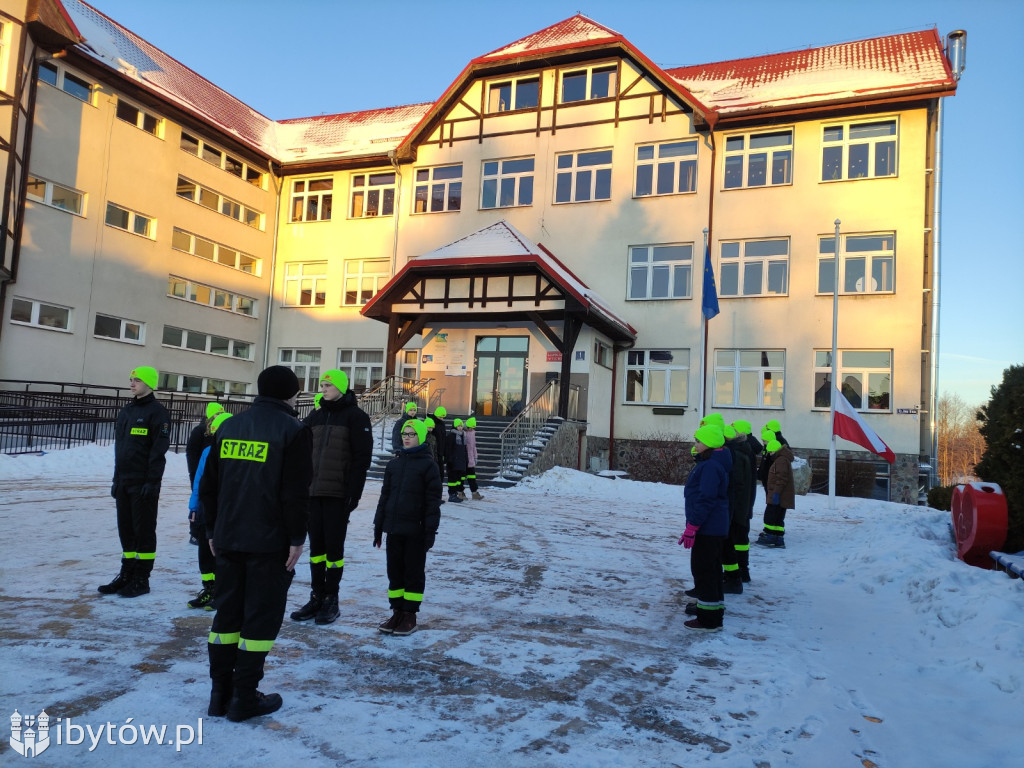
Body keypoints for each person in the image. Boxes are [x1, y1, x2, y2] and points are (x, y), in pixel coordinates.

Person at [199, 365, 313, 722]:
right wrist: (297, 538)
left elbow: (210, 486)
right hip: (268, 542)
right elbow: (294, 492)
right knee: (259, 622)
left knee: (227, 615)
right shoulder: (294, 430)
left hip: (229, 538)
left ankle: (220, 695)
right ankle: (244, 698)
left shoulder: (229, 426)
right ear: (291, 394)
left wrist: (212, 532)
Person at [290, 369, 372, 626]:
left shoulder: (356, 417)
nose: (323, 388)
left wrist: (354, 494)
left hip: (338, 494)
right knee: (316, 550)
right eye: (322, 385)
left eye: (327, 385)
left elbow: (362, 459)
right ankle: (316, 595)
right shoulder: (315, 415)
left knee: (334, 550)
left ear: (341, 387)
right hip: (313, 492)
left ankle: (331, 599)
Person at [98, 365, 170, 599]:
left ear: (149, 383)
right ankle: (126, 574)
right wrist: (116, 479)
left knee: (144, 531)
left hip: (144, 484)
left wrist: (152, 482)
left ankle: (142, 578)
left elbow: (158, 452)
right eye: (130, 379)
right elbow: (121, 449)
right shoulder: (127, 411)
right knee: (126, 530)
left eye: (136, 380)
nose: (131, 383)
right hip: (124, 482)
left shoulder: (157, 413)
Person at [373, 419, 442, 637]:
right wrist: (378, 526)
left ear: (420, 437)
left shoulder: (429, 465)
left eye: (412, 434)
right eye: (405, 433)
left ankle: (409, 614)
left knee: (413, 573)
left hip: (415, 531)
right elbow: (385, 496)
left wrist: (429, 531)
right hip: (394, 529)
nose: (407, 437)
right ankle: (397, 612)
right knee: (394, 572)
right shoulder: (394, 464)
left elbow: (433, 502)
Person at [678, 424, 730, 632]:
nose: (695, 444)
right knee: (712, 570)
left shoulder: (710, 467)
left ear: (707, 443)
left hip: (708, 528)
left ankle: (708, 620)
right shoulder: (713, 462)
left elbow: (706, 499)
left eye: (698, 441)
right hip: (713, 527)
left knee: (704, 571)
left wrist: (692, 526)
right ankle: (712, 611)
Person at [187, 411, 232, 610]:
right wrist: (194, 506)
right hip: (206, 509)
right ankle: (209, 587)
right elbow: (199, 482)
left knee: (220, 552)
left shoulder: (231, 452)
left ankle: (222, 590)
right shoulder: (207, 451)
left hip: (224, 510)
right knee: (205, 551)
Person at [186, 402, 224, 545]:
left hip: (212, 472)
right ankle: (195, 532)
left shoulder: (220, 428)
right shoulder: (200, 430)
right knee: (198, 503)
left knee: (208, 502)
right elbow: (191, 453)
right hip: (199, 473)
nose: (218, 416)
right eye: (216, 414)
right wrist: (194, 473)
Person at [722, 425, 754, 593]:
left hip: (737, 508)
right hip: (741, 507)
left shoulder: (736, 456)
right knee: (738, 541)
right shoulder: (742, 452)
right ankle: (740, 573)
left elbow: (736, 486)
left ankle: (736, 574)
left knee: (733, 542)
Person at [731, 419, 760, 582]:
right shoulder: (748, 447)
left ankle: (741, 571)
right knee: (741, 537)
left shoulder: (742, 450)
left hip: (741, 503)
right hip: (745, 501)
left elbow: (739, 482)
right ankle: (743, 570)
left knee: (739, 537)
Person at [757, 439, 795, 548]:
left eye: (771, 452)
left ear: (775, 451)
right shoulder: (782, 459)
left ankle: (769, 536)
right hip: (781, 495)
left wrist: (776, 494)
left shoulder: (781, 461)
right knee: (778, 518)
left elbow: (781, 479)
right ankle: (778, 537)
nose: (770, 455)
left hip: (778, 494)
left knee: (770, 516)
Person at [445, 418, 469, 503]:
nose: (460, 427)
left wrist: (466, 459)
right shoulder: (451, 436)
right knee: (452, 480)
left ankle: (457, 493)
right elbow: (448, 449)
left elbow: (464, 449)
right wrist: (449, 460)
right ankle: (452, 494)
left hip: (460, 462)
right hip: (453, 462)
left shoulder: (463, 436)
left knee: (458, 479)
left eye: (461, 426)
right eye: (458, 426)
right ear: (455, 426)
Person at [464, 417, 484, 500]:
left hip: (470, 459)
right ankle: (460, 492)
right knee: (461, 478)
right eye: (470, 428)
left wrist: (475, 457)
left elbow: (474, 447)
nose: (471, 429)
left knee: (472, 477)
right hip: (464, 459)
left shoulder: (472, 433)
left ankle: (474, 493)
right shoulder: (463, 433)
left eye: (473, 428)